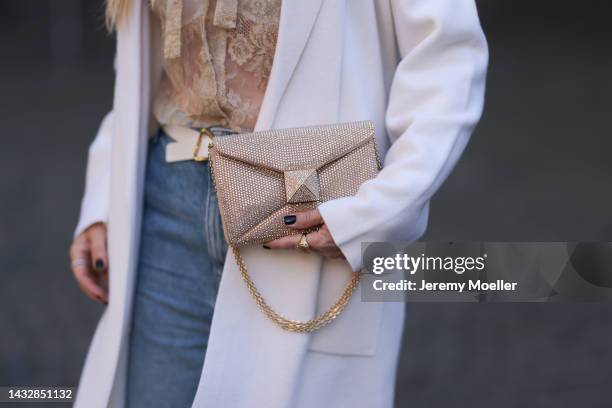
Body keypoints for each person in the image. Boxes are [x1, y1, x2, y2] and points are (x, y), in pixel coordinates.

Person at [69, 0, 488, 407]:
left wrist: (381, 208)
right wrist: (107, 194)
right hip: (163, 214)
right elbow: (144, 61)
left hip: (305, 211)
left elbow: (447, 58)